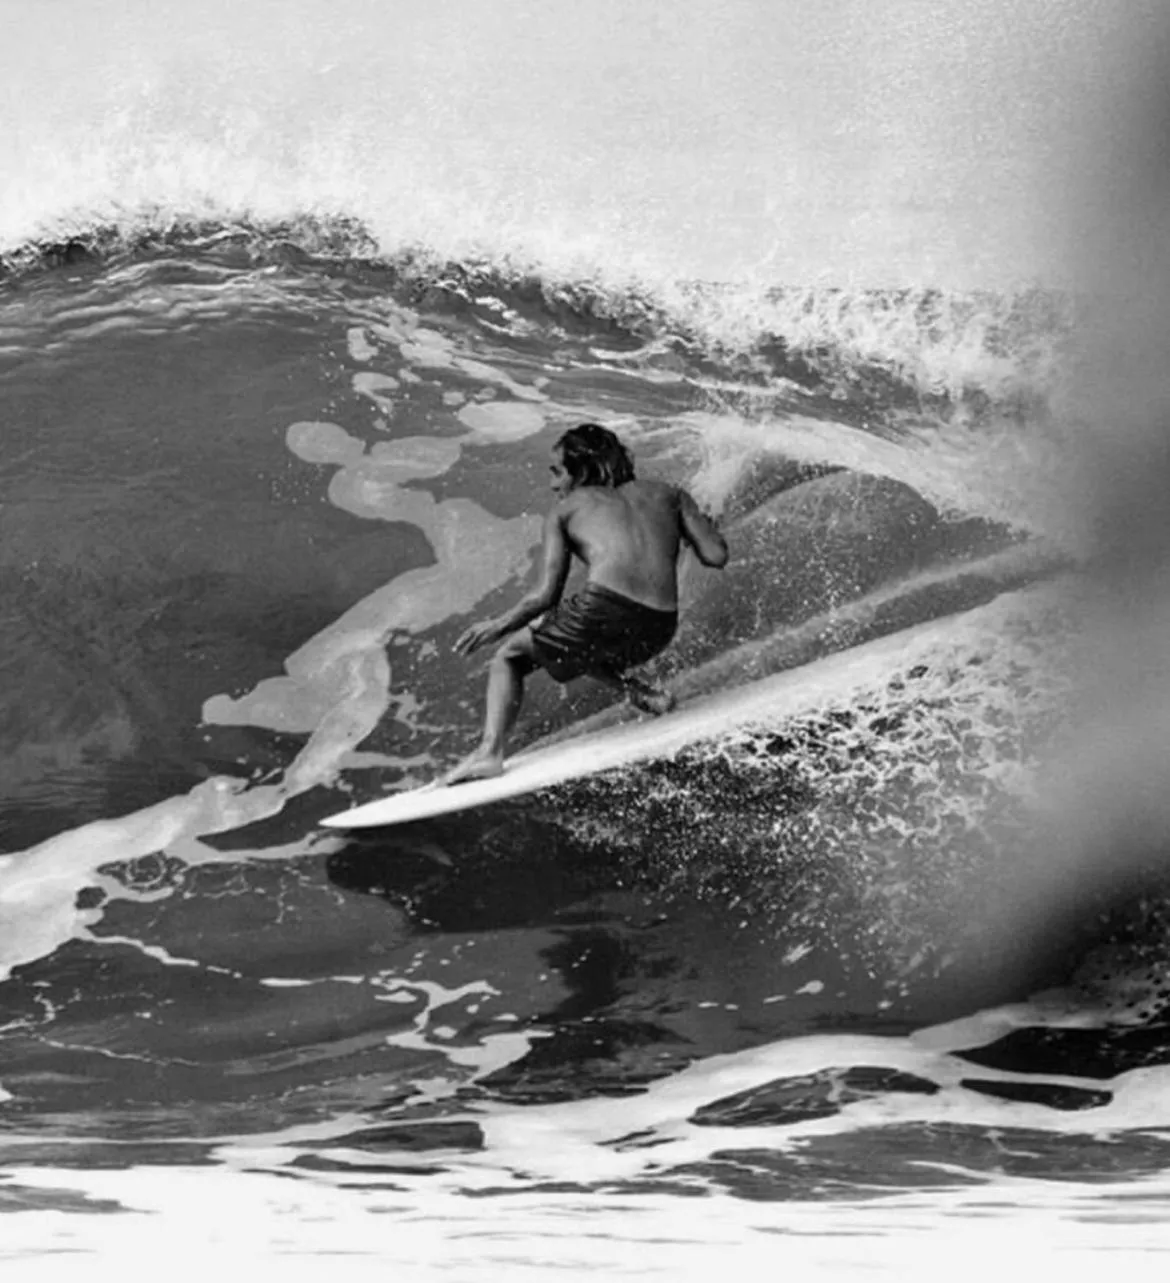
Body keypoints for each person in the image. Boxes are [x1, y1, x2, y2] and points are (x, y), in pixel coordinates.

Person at [441, 423, 729, 784]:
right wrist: (706, 528)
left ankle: (489, 754)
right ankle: (643, 694)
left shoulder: (567, 510)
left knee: (512, 656)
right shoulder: (671, 495)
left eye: (558, 472)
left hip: (601, 612)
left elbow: (545, 596)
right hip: (658, 627)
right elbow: (716, 555)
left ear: (584, 469)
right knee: (572, 634)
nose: (553, 485)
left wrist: (496, 626)